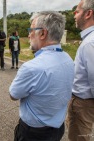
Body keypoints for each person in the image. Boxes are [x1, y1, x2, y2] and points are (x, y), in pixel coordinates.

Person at [9, 11, 74, 141]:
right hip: (57, 128)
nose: (28, 35)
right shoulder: (68, 59)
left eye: (31, 30)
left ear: (43, 33)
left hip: (33, 133)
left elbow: (13, 95)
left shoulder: (31, 67)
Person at [67, 0, 94, 141]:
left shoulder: (90, 42)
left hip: (84, 104)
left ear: (88, 13)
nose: (74, 16)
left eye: (76, 12)